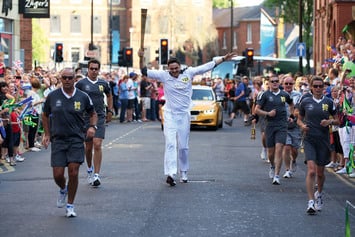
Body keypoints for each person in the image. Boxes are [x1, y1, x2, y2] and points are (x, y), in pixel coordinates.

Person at [138, 49, 237, 186]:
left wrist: (223, 59)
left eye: (176, 68)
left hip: (184, 115)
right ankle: (171, 173)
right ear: (168, 68)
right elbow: (144, 71)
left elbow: (207, 66)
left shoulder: (189, 72)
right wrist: (141, 57)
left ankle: (183, 171)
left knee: (183, 147)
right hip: (170, 114)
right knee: (171, 144)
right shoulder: (163, 75)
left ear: (180, 67)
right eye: (171, 69)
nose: (174, 71)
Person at [42, 67, 98, 217]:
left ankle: (70, 205)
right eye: (64, 78)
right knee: (58, 175)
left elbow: (93, 113)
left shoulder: (83, 96)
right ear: (60, 79)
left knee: (73, 172)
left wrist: (92, 126)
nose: (67, 80)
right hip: (58, 140)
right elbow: (45, 115)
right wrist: (47, 134)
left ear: (74, 79)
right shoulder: (53, 96)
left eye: (70, 78)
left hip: (76, 139)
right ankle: (63, 189)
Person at [297, 76, 338, 215]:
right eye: (316, 86)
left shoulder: (329, 102)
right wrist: (302, 126)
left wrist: (329, 122)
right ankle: (310, 201)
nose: (318, 89)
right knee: (312, 170)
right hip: (309, 139)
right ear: (311, 87)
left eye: (321, 86)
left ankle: (319, 194)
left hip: (323, 140)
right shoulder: (305, 101)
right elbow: (299, 119)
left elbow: (338, 120)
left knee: (320, 174)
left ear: (324, 88)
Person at [75, 59, 113, 187]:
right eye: (91, 68)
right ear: (88, 69)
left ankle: (96, 175)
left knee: (97, 144)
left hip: (100, 116)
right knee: (88, 146)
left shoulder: (103, 83)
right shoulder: (81, 84)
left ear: (99, 69)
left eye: (96, 69)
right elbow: (75, 97)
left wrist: (110, 110)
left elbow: (109, 95)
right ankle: (90, 168)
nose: (94, 71)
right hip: (86, 117)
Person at [255, 75, 293, 185]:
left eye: (277, 81)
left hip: (282, 125)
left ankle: (276, 176)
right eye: (273, 81)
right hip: (269, 125)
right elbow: (257, 110)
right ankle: (272, 165)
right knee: (271, 153)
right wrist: (268, 113)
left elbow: (291, 104)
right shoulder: (264, 95)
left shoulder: (284, 94)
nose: (275, 83)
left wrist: (291, 115)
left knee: (279, 148)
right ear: (269, 83)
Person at [281, 76, 302, 178]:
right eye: (286, 84)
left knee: (294, 149)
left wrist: (294, 117)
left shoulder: (298, 95)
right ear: (283, 85)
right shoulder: (280, 95)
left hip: (295, 125)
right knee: (287, 147)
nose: (288, 86)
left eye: (290, 84)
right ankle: (287, 169)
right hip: (283, 126)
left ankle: (293, 160)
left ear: (293, 84)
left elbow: (300, 109)